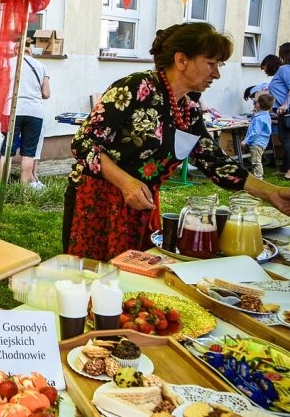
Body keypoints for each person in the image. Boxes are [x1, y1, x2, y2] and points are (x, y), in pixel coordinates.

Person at [62, 22, 290, 261]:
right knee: (90, 281)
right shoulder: (137, 87)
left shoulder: (188, 109)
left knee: (130, 281)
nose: (217, 74)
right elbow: (84, 142)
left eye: (219, 65)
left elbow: (216, 163)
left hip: (140, 204)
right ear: (181, 60)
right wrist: (125, 182)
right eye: (211, 64)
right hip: (96, 202)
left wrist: (271, 192)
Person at [0, 38, 51, 188]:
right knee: (29, 152)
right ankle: (23, 190)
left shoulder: (8, 63)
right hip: (35, 112)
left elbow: (1, 89)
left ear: (15, 49)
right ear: (31, 50)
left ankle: (4, 188)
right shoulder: (41, 66)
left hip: (13, 109)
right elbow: (46, 93)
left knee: (7, 151)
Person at [269, 43, 290, 178]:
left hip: (286, 111)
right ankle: (284, 168)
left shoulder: (285, 69)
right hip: (283, 110)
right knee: (284, 139)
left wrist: (285, 105)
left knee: (287, 139)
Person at [242, 93, 274, 179]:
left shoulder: (259, 118)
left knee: (256, 161)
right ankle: (255, 175)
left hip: (257, 142)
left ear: (258, 105)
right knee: (255, 160)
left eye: (255, 102)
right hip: (262, 142)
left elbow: (255, 132)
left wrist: (246, 140)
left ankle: (259, 178)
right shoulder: (265, 115)